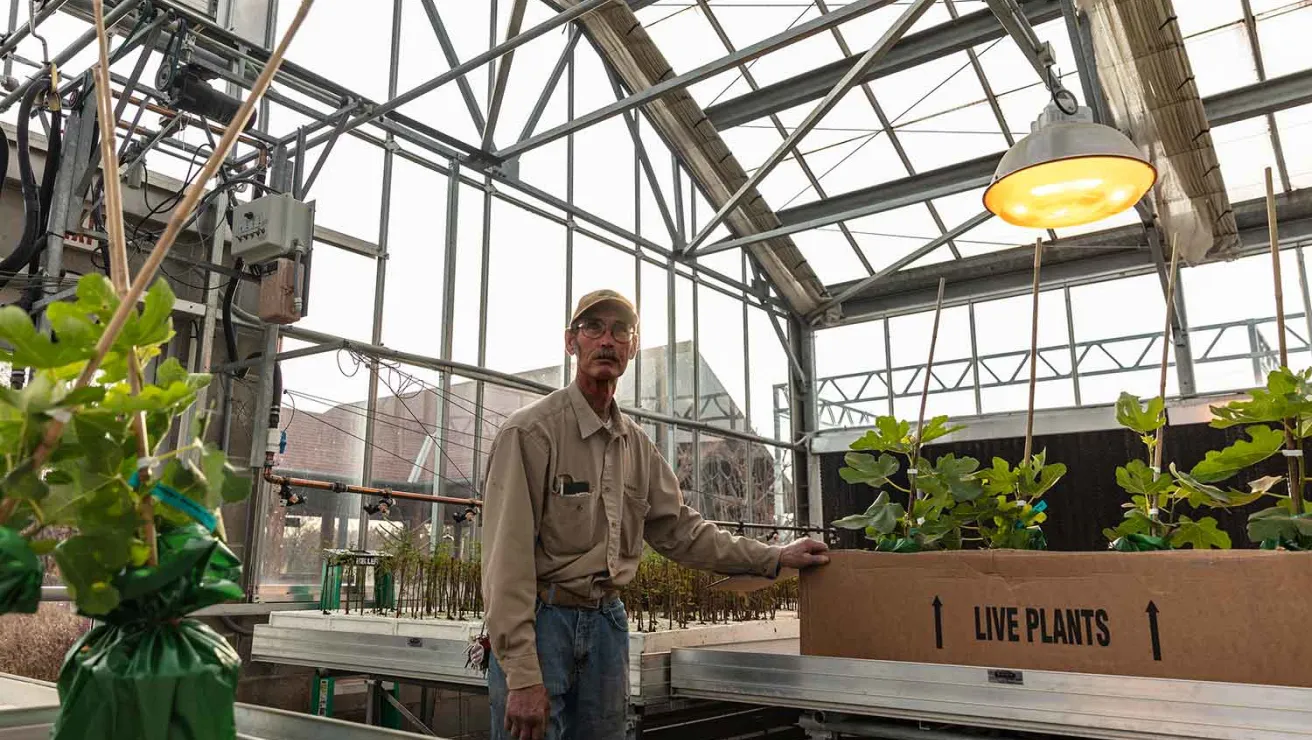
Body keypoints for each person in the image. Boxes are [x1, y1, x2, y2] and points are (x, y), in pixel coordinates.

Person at [480, 289, 829, 740]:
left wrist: (774, 556)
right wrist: (523, 674)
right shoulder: (531, 432)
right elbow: (504, 564)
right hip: (544, 623)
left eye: (620, 330)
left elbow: (682, 531)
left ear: (632, 347)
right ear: (572, 343)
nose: (607, 340)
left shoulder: (636, 446)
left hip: (607, 625)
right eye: (594, 328)